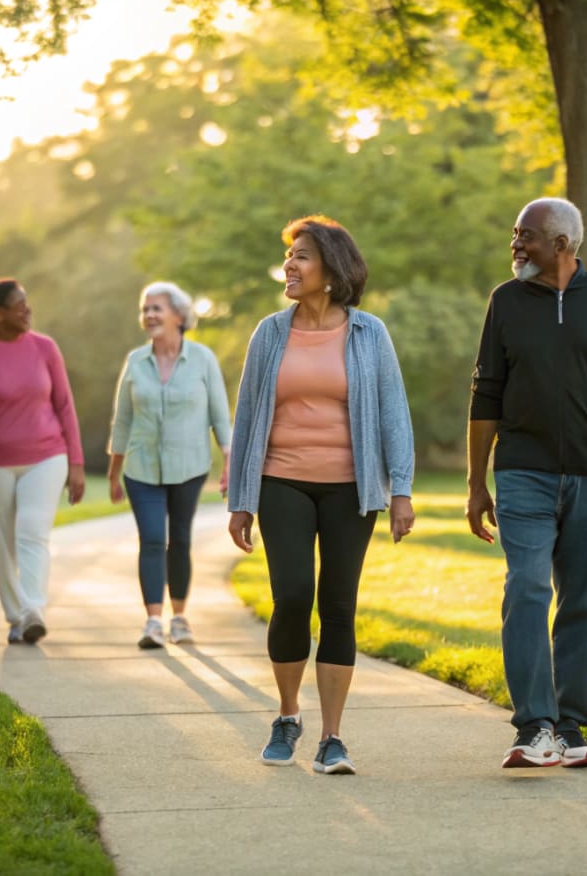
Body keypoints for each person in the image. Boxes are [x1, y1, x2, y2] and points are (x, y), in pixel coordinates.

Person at [465, 197, 587, 770]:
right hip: (523, 469)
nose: (515, 245)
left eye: (524, 235)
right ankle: (534, 727)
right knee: (526, 586)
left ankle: (571, 726)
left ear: (560, 244)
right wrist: (477, 484)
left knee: (583, 597)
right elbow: (486, 393)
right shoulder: (505, 302)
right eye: (514, 234)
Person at [227, 215, 416, 776]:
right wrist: (241, 498)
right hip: (281, 479)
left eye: (302, 256)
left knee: (338, 606)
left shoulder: (369, 334)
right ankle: (288, 716)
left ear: (331, 271)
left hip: (349, 488)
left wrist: (400, 491)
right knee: (290, 597)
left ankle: (332, 737)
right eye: (289, 256)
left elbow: (393, 415)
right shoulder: (269, 333)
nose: (289, 265)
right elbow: (247, 418)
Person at [0, 278, 87, 645]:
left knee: (31, 531)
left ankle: (34, 611)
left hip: (46, 456)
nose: (27, 309)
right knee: (1, 544)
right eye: (18, 304)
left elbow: (65, 406)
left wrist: (75, 463)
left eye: (27, 302)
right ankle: (17, 616)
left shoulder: (45, 348)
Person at [107, 281, 232, 649]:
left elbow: (220, 416)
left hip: (189, 466)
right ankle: (152, 622)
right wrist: (114, 473)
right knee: (151, 539)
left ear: (179, 314)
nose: (148, 315)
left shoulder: (203, 359)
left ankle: (179, 618)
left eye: (156, 308)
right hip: (141, 469)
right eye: (145, 309)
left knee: (179, 540)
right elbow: (122, 421)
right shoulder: (135, 361)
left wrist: (229, 460)